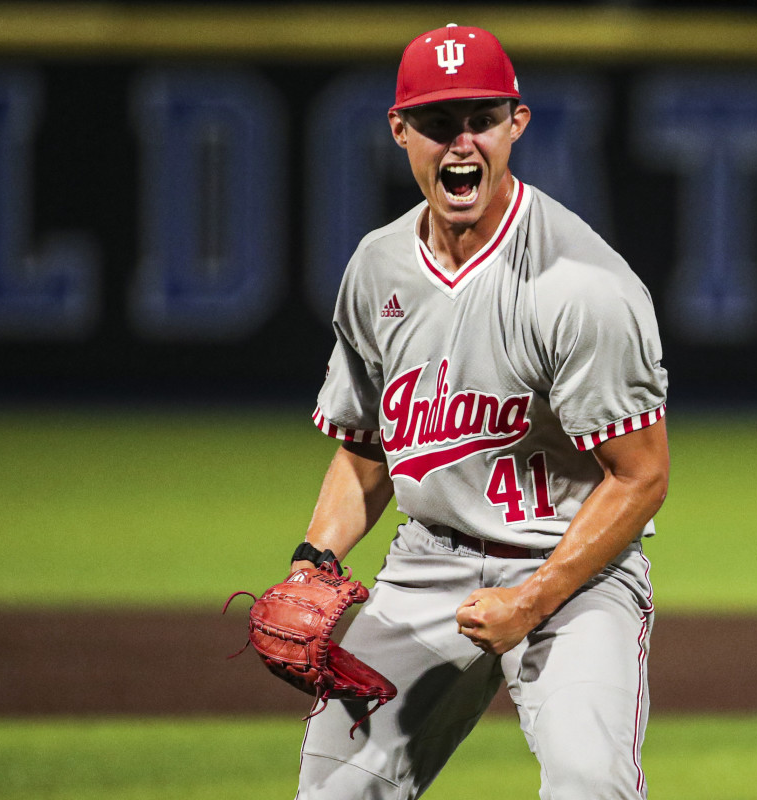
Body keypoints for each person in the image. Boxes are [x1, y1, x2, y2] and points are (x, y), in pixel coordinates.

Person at [293, 22, 670, 800]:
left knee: (589, 783)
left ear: (516, 125)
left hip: (572, 570)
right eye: (437, 123)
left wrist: (532, 599)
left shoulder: (585, 285)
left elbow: (640, 477)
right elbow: (366, 447)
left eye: (481, 120)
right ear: (399, 132)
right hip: (427, 564)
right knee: (335, 792)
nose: (461, 144)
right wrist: (315, 559)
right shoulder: (377, 267)